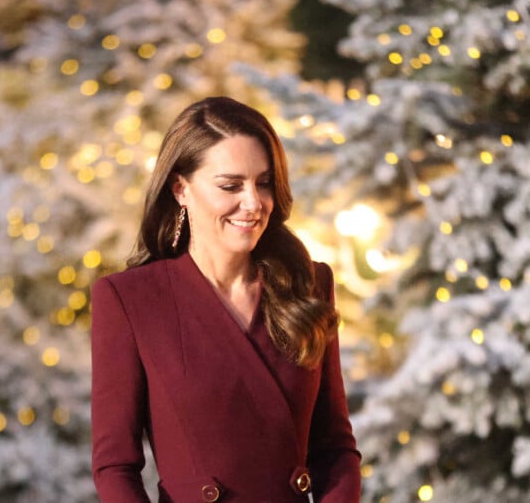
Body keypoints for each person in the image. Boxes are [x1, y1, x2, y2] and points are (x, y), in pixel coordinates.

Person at [90, 96, 361, 502]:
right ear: (181, 189)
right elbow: (115, 466)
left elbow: (336, 448)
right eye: (231, 185)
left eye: (264, 182)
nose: (253, 203)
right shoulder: (129, 300)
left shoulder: (307, 283)